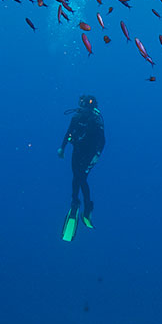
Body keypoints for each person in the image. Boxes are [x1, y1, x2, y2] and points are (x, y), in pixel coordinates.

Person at [58, 94, 105, 241]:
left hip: (89, 155)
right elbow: (68, 133)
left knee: (81, 178)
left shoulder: (96, 121)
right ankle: (75, 201)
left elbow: (102, 141)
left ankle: (87, 207)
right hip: (77, 151)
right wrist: (62, 148)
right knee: (76, 177)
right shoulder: (76, 118)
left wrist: (97, 155)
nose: (82, 108)